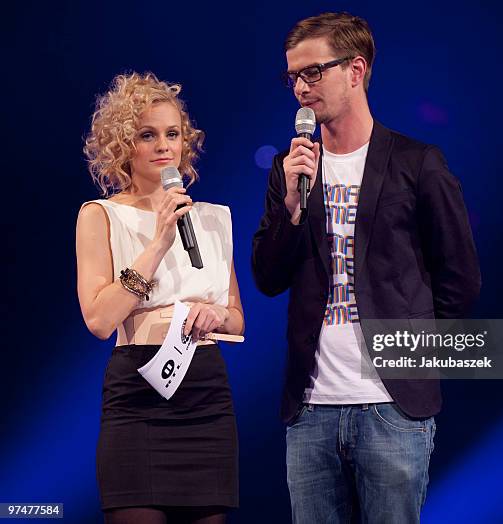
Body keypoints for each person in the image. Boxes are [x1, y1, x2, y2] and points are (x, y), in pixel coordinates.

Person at [252, 12, 480, 523]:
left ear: (356, 70)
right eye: (293, 77)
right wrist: (290, 207)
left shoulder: (417, 162)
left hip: (392, 408)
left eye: (313, 72)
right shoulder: (290, 168)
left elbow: (460, 279)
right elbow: (267, 277)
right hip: (310, 408)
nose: (301, 88)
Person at [77, 72, 244, 524]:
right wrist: (157, 244)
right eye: (147, 135)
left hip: (205, 395)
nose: (163, 146)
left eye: (172, 134)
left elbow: (238, 321)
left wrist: (215, 314)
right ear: (122, 145)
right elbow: (99, 319)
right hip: (138, 394)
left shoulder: (212, 218)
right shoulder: (101, 215)